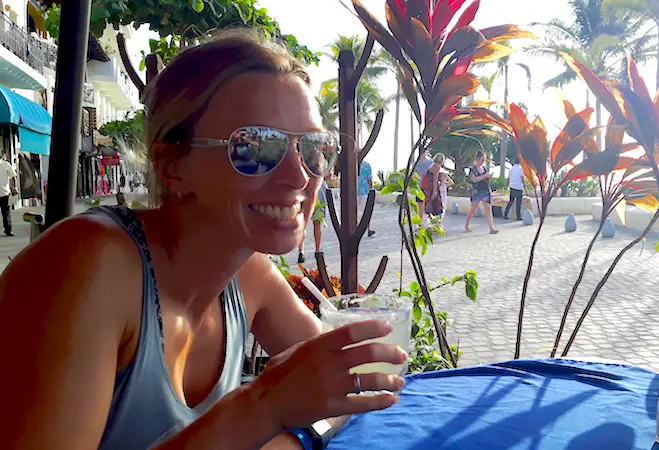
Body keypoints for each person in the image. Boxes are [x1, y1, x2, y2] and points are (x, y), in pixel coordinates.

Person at [0, 32, 407, 450]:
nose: (300, 177)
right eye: (254, 148)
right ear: (174, 167)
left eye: (313, 148)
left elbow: (350, 385)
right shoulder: (85, 267)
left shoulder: (249, 278)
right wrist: (264, 407)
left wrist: (292, 436)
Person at [297, 173, 331, 264]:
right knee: (317, 223)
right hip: (318, 188)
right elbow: (328, 176)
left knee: (302, 222)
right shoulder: (324, 162)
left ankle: (301, 251)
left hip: (304, 187)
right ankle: (317, 249)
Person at [464, 151, 498, 234]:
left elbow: (485, 179)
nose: (483, 161)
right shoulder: (473, 169)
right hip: (477, 192)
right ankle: (466, 225)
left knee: (488, 209)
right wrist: (485, 176)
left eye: (484, 160)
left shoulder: (485, 169)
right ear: (477, 159)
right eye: (482, 160)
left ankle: (491, 228)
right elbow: (474, 179)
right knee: (473, 209)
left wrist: (488, 177)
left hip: (485, 190)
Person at [358, 158, 376, 237]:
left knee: (366, 211)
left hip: (363, 191)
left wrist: (371, 191)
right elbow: (370, 179)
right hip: (359, 191)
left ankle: (368, 229)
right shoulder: (365, 165)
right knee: (365, 211)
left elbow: (370, 179)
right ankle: (365, 229)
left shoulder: (366, 165)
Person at [0, 156, 17, 236]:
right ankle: (8, 230)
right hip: (5, 192)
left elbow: (14, 177)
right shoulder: (6, 164)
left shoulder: (6, 164)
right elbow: (14, 177)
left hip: (4, 193)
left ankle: (8, 230)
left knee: (6, 212)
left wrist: (15, 188)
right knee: (6, 212)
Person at [422, 154, 442, 218]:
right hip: (431, 187)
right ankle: (434, 223)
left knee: (430, 207)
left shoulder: (432, 165)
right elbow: (435, 179)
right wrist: (435, 191)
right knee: (435, 207)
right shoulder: (437, 167)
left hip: (427, 188)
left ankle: (431, 222)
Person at [435, 153, 454, 224]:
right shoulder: (442, 171)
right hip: (441, 194)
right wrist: (446, 175)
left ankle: (435, 225)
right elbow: (451, 182)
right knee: (441, 209)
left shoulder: (432, 169)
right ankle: (438, 225)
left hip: (435, 191)